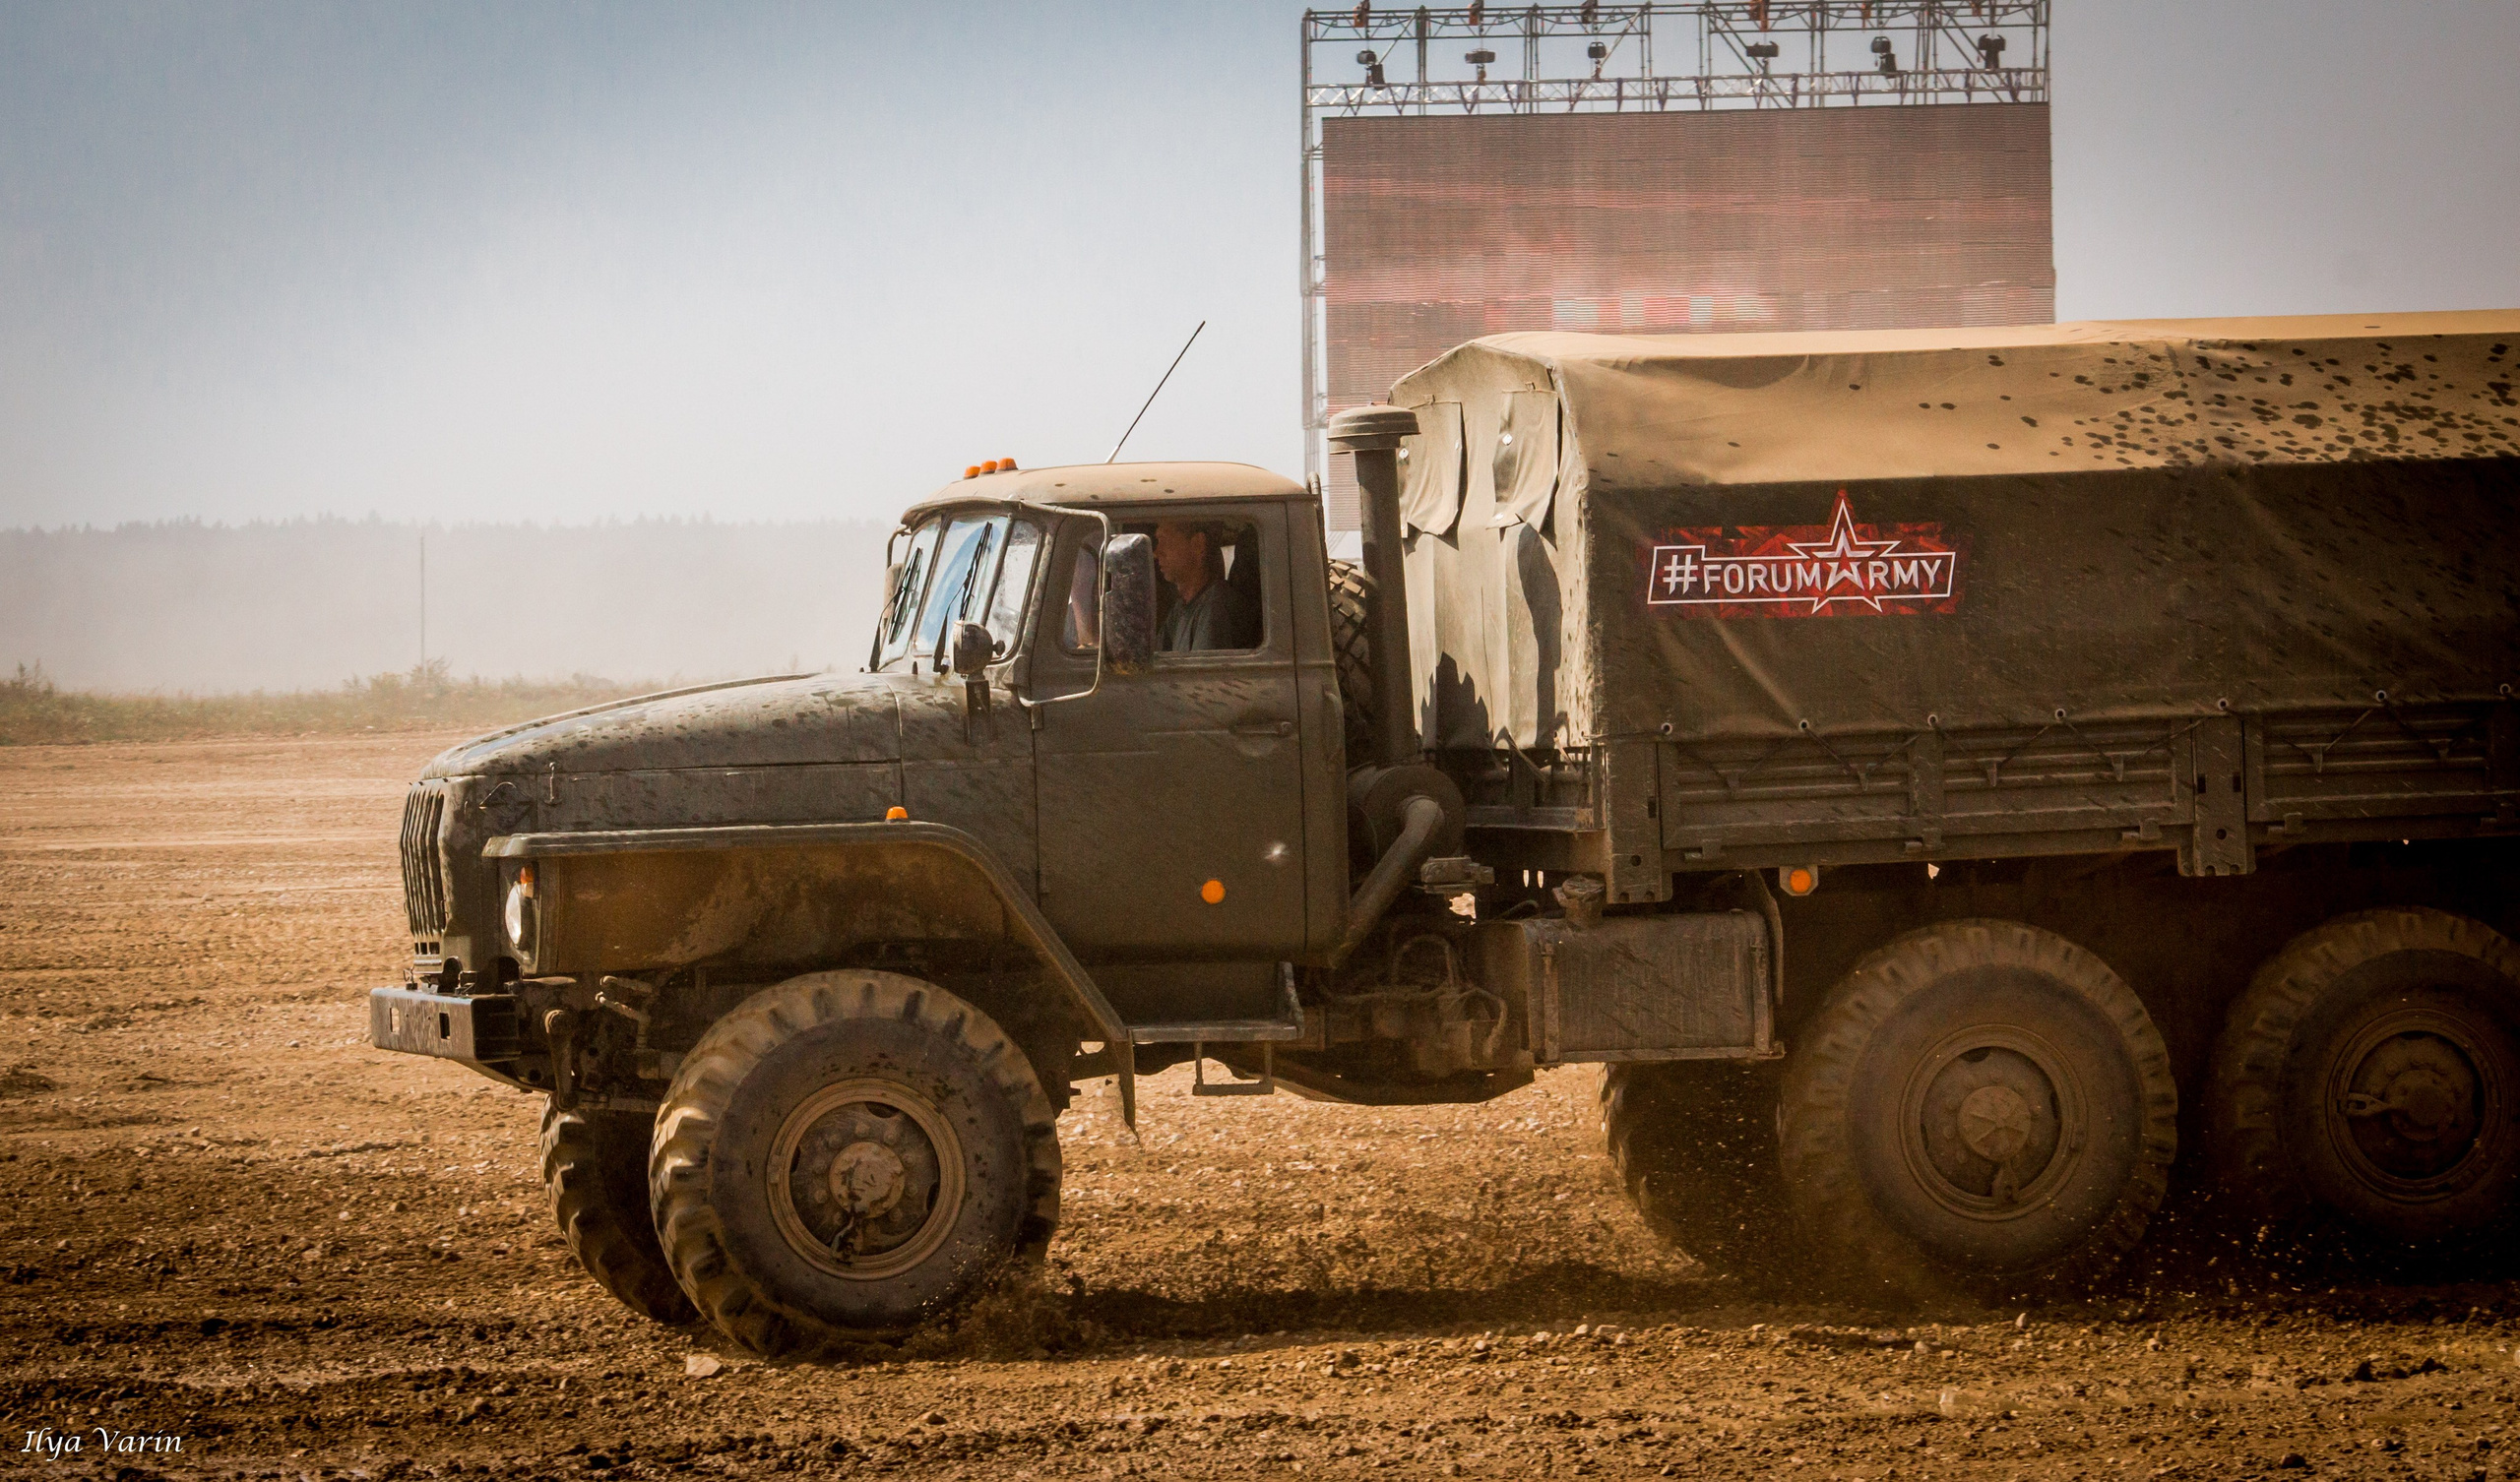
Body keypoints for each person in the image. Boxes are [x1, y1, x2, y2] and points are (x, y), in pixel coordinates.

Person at [1153, 521, 1261, 652]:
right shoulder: (1180, 609)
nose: (1156, 553)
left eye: (1164, 541)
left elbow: (1200, 666)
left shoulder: (1216, 606)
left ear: (1197, 544)